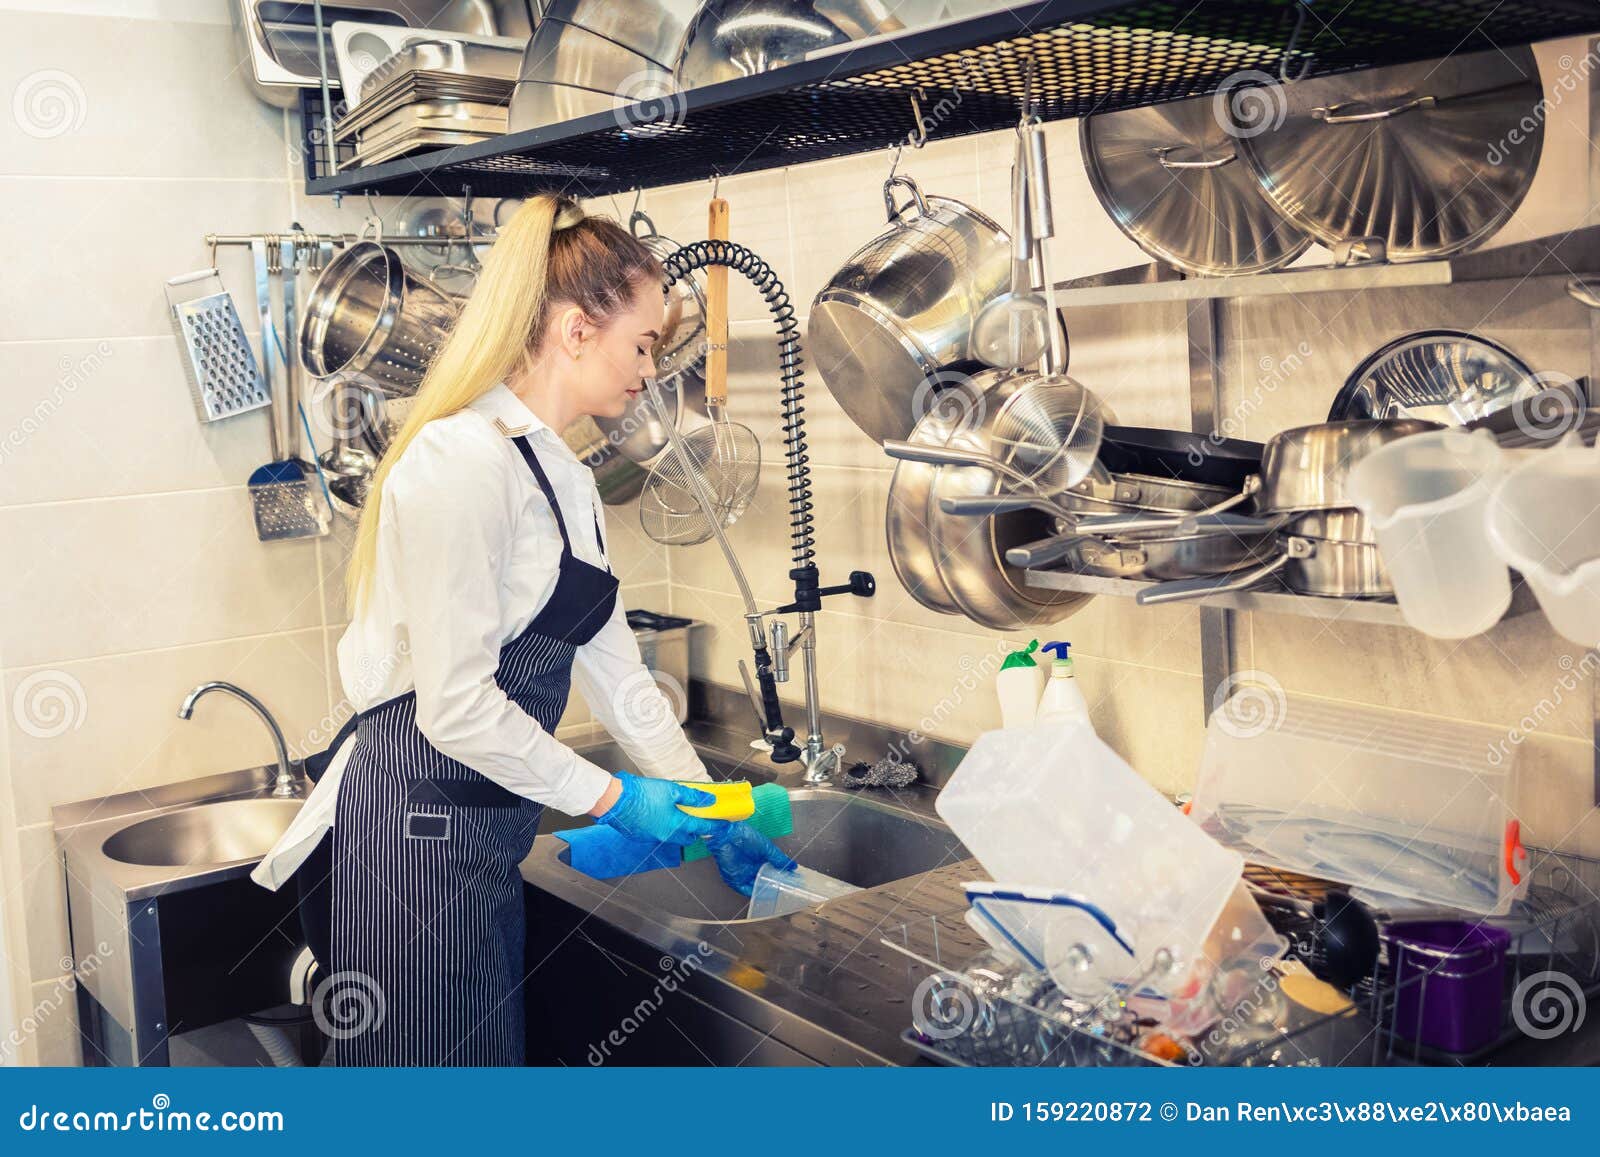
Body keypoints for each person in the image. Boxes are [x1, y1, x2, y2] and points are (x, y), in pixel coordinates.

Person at [252, 194, 794, 1066]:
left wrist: (706, 806)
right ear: (578, 330)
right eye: (644, 343)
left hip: (482, 832)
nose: (651, 369)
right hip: (414, 838)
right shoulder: (458, 460)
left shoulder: (567, 478)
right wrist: (616, 798)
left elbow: (622, 680)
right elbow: (456, 709)